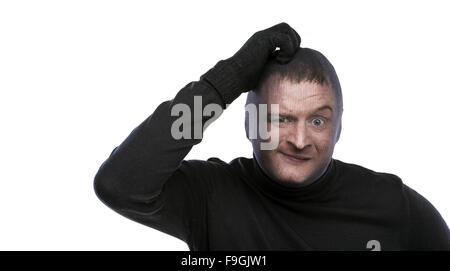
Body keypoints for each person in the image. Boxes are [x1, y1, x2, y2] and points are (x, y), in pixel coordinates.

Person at [93, 22, 450, 250]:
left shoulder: (392, 206)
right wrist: (225, 82)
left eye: (318, 121)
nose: (299, 139)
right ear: (249, 123)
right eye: (280, 119)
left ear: (339, 127)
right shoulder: (210, 197)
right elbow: (119, 183)